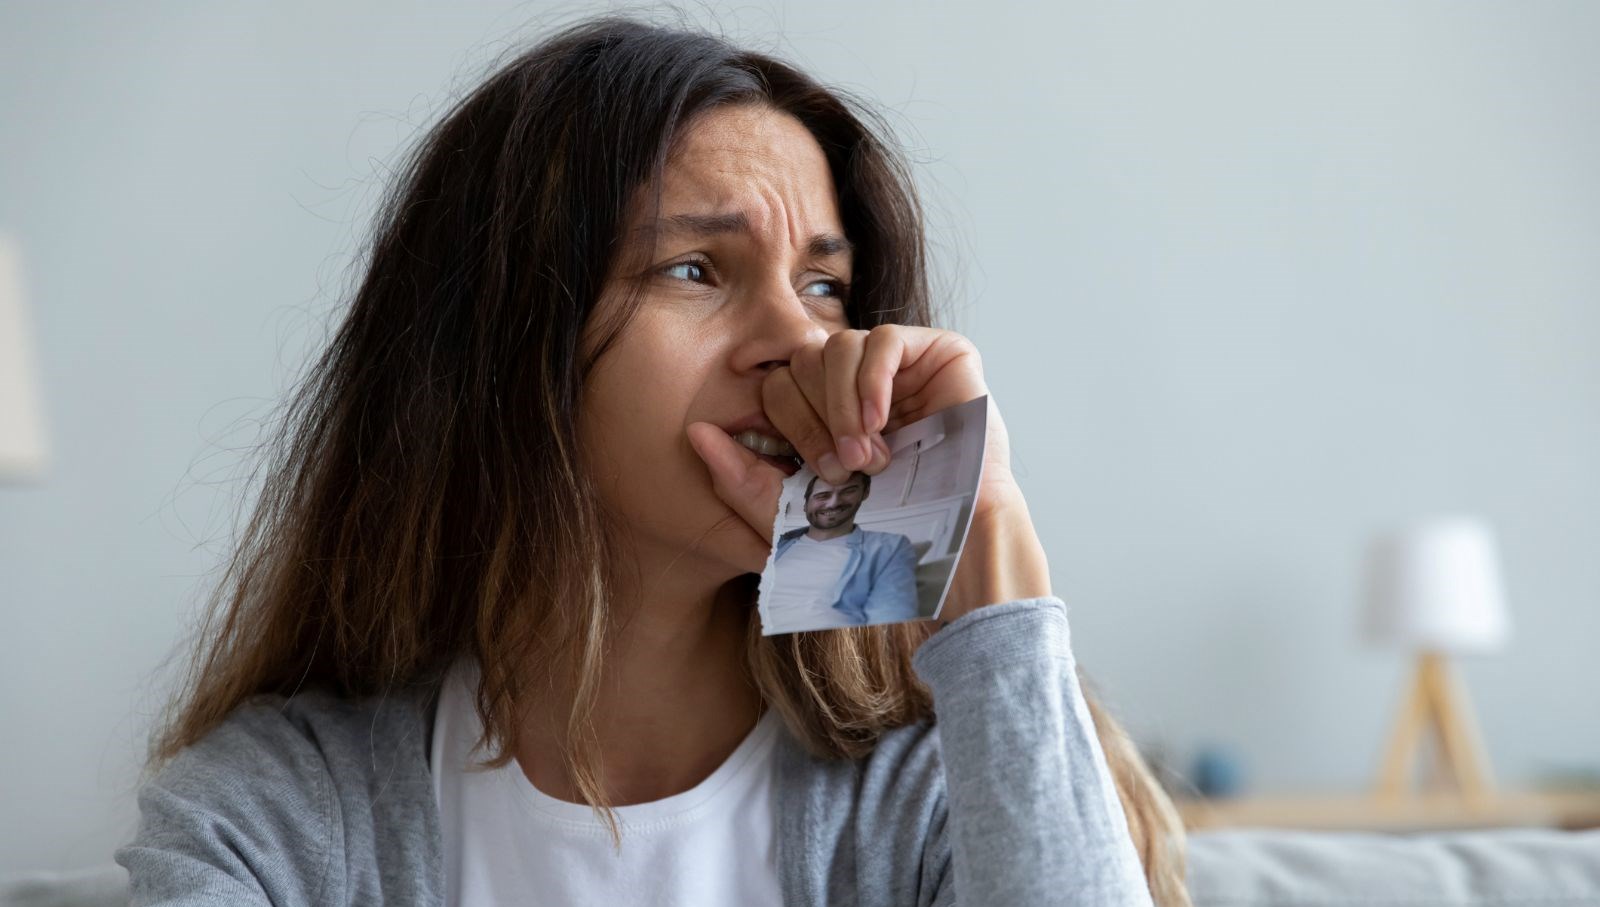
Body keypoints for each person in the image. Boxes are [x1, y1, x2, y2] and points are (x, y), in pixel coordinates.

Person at [117, 14, 1192, 907]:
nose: (802, 341)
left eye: (823, 285)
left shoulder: (942, 785)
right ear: (504, 349)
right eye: (694, 269)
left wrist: (980, 532)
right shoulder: (272, 819)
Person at [768, 470, 920, 629]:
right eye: (822, 496)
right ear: (805, 505)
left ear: (864, 493)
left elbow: (891, 617)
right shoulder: (777, 544)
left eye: (848, 491)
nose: (833, 503)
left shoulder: (887, 547)